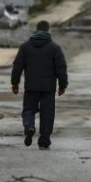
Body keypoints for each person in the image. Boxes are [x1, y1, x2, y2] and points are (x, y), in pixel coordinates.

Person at [11, 20, 68, 150]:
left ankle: (29, 126)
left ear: (36, 30)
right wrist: (62, 85)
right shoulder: (54, 48)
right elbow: (61, 69)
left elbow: (17, 67)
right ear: (48, 30)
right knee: (47, 114)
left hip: (31, 87)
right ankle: (44, 141)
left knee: (28, 110)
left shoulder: (25, 47)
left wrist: (15, 83)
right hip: (48, 88)